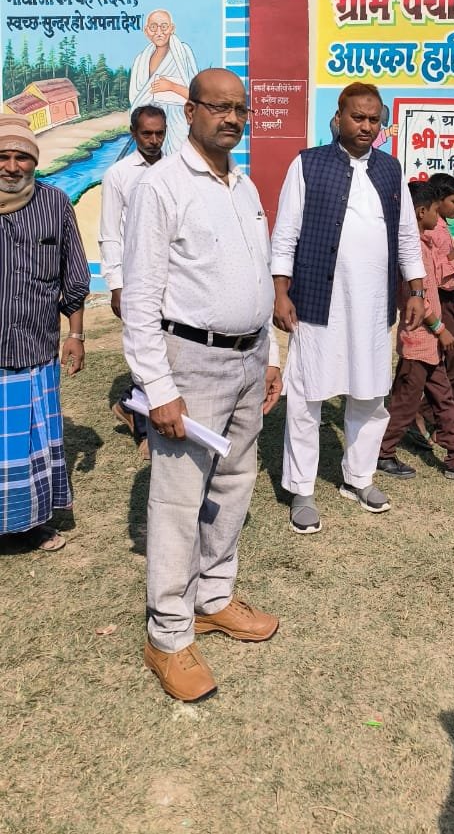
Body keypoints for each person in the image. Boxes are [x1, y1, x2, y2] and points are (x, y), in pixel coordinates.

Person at [121, 69, 282, 702]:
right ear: (189, 112)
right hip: (189, 363)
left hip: (247, 361)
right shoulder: (162, 186)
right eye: (219, 107)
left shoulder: (243, 185)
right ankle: (167, 634)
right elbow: (140, 298)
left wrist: (270, 357)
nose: (232, 118)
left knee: (235, 483)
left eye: (240, 108)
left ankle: (213, 598)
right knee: (178, 500)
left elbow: (257, 275)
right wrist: (158, 388)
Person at [272, 82, 426, 535]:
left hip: (373, 306)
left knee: (370, 395)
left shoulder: (390, 169)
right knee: (307, 398)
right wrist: (280, 292)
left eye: (374, 119)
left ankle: (359, 478)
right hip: (318, 304)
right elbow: (285, 233)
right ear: (338, 118)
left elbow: (406, 236)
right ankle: (302, 489)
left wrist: (416, 290)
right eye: (358, 117)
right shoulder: (308, 164)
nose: (366, 126)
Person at [0, 115, 89, 554]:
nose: (12, 166)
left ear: (34, 162)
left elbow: (74, 274)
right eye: (3, 156)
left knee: (32, 444)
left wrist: (76, 335)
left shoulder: (54, 203)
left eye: (22, 157)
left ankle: (28, 525)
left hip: (35, 347)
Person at [377, 181, 454, 482]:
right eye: (435, 210)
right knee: (405, 404)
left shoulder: (425, 245)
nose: (439, 217)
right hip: (418, 341)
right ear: (421, 212)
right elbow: (418, 301)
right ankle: (383, 452)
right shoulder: (411, 251)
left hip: (429, 343)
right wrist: (440, 329)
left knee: (444, 400)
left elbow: (439, 276)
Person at [99, 104, 167, 459]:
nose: (154, 140)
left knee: (170, 348)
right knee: (144, 349)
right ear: (133, 133)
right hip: (136, 279)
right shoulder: (118, 174)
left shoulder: (176, 168)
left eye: (159, 133)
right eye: (146, 134)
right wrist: (116, 285)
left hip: (173, 277)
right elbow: (110, 233)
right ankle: (144, 430)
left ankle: (128, 403)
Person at [128, 9, 198, 154]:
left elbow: (196, 96)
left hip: (179, 123)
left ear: (172, 28)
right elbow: (136, 100)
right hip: (150, 125)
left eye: (164, 26)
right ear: (146, 31)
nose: (159, 32)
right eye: (153, 27)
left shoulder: (183, 53)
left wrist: (171, 86)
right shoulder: (141, 60)